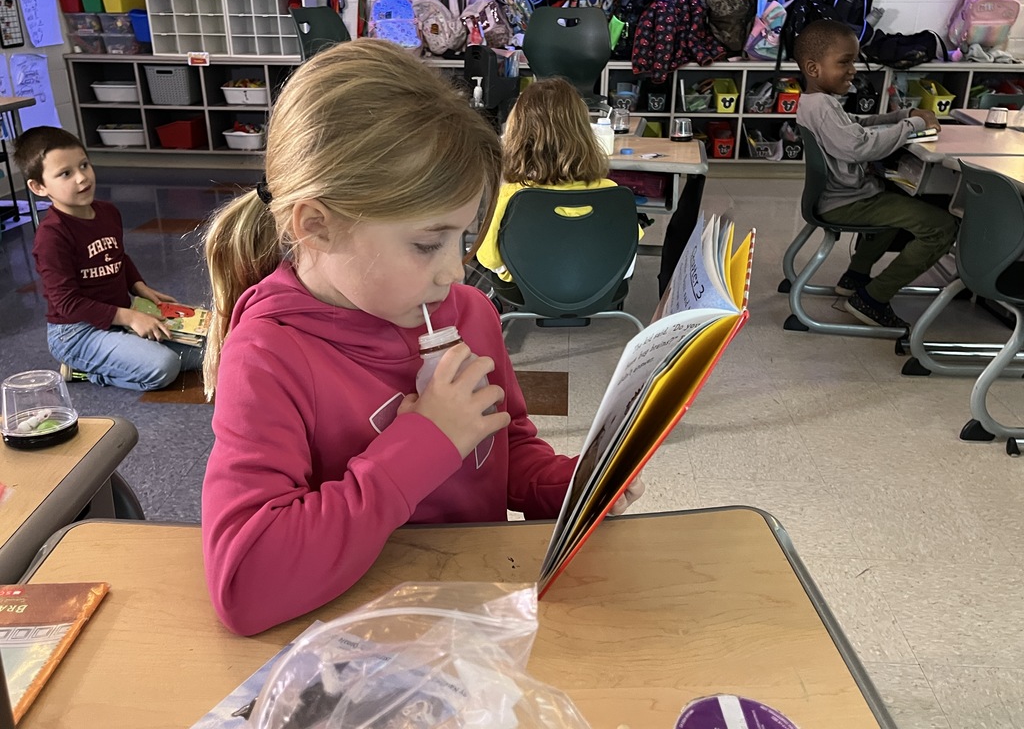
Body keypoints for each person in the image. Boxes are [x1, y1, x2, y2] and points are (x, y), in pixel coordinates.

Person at [200, 41, 644, 636]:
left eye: (462, 238)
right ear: (316, 226)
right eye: (427, 244)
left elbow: (505, 451)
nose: (455, 271)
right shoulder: (267, 356)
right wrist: (428, 440)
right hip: (359, 642)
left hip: (473, 624)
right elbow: (247, 586)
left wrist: (579, 485)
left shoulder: (471, 314)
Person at [794, 19, 957, 330]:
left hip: (843, 196)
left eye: (853, 61)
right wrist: (913, 125)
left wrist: (902, 115)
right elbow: (858, 146)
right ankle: (873, 299)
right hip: (847, 202)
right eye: (844, 62)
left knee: (896, 198)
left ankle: (855, 278)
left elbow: (856, 125)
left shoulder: (817, 102)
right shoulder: (823, 107)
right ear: (813, 68)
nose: (853, 70)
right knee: (941, 227)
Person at [13, 126, 202, 390]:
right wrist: (131, 318)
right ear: (39, 186)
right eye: (66, 173)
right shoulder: (52, 236)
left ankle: (122, 353)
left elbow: (118, 256)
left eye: (84, 165)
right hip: (77, 333)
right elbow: (67, 303)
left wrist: (139, 286)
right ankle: (83, 371)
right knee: (164, 367)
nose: (82, 178)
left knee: (206, 350)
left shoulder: (108, 212)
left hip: (119, 318)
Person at [475, 77, 640, 285]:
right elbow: (627, 265)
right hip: (599, 292)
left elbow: (489, 259)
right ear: (585, 133)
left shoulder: (512, 196)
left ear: (516, 136)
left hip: (526, 292)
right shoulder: (612, 194)